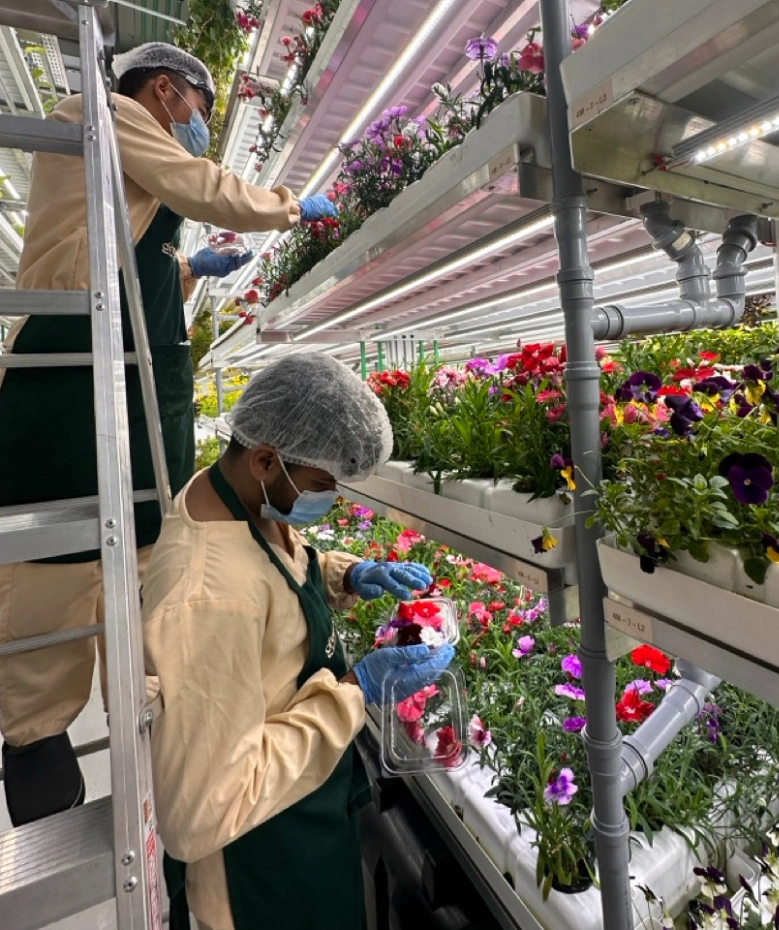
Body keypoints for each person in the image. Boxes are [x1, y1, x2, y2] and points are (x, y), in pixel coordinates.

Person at [0, 42, 340, 825]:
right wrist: (292, 204)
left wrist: (191, 272)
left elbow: (130, 267)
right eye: (197, 112)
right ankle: (45, 779)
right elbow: (206, 188)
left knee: (142, 600)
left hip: (127, 405)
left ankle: (153, 769)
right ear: (164, 89)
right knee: (51, 590)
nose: (196, 131)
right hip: (69, 380)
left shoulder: (123, 167)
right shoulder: (100, 112)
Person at [141, 354, 453, 930]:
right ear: (265, 459)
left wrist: (343, 574)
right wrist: (354, 691)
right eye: (321, 486)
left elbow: (275, 574)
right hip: (257, 865)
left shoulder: (229, 496)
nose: (328, 499)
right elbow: (201, 809)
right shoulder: (210, 597)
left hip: (303, 812)